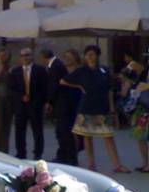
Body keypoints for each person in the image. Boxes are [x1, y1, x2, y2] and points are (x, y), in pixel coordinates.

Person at [62, 45, 129, 173]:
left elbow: (109, 89)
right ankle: (91, 164)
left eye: (92, 54)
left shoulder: (104, 70)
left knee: (108, 136)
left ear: (97, 56)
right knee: (87, 137)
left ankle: (117, 165)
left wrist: (111, 106)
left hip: (102, 107)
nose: (90, 57)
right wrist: (79, 86)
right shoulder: (81, 70)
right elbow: (63, 81)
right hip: (86, 107)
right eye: (87, 55)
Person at [9, 48, 47, 160]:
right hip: (21, 106)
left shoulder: (40, 70)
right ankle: (21, 153)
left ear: (32, 56)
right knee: (19, 131)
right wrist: (21, 97)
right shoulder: (15, 71)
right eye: (22, 55)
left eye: (27, 55)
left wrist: (40, 102)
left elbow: (44, 88)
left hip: (35, 105)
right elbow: (12, 89)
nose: (25, 57)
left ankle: (38, 154)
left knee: (37, 130)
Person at [53, 49, 83, 166]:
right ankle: (62, 155)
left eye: (70, 57)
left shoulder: (80, 71)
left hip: (76, 102)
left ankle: (72, 157)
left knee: (73, 132)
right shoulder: (62, 70)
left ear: (76, 58)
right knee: (61, 131)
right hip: (63, 103)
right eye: (65, 56)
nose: (67, 59)